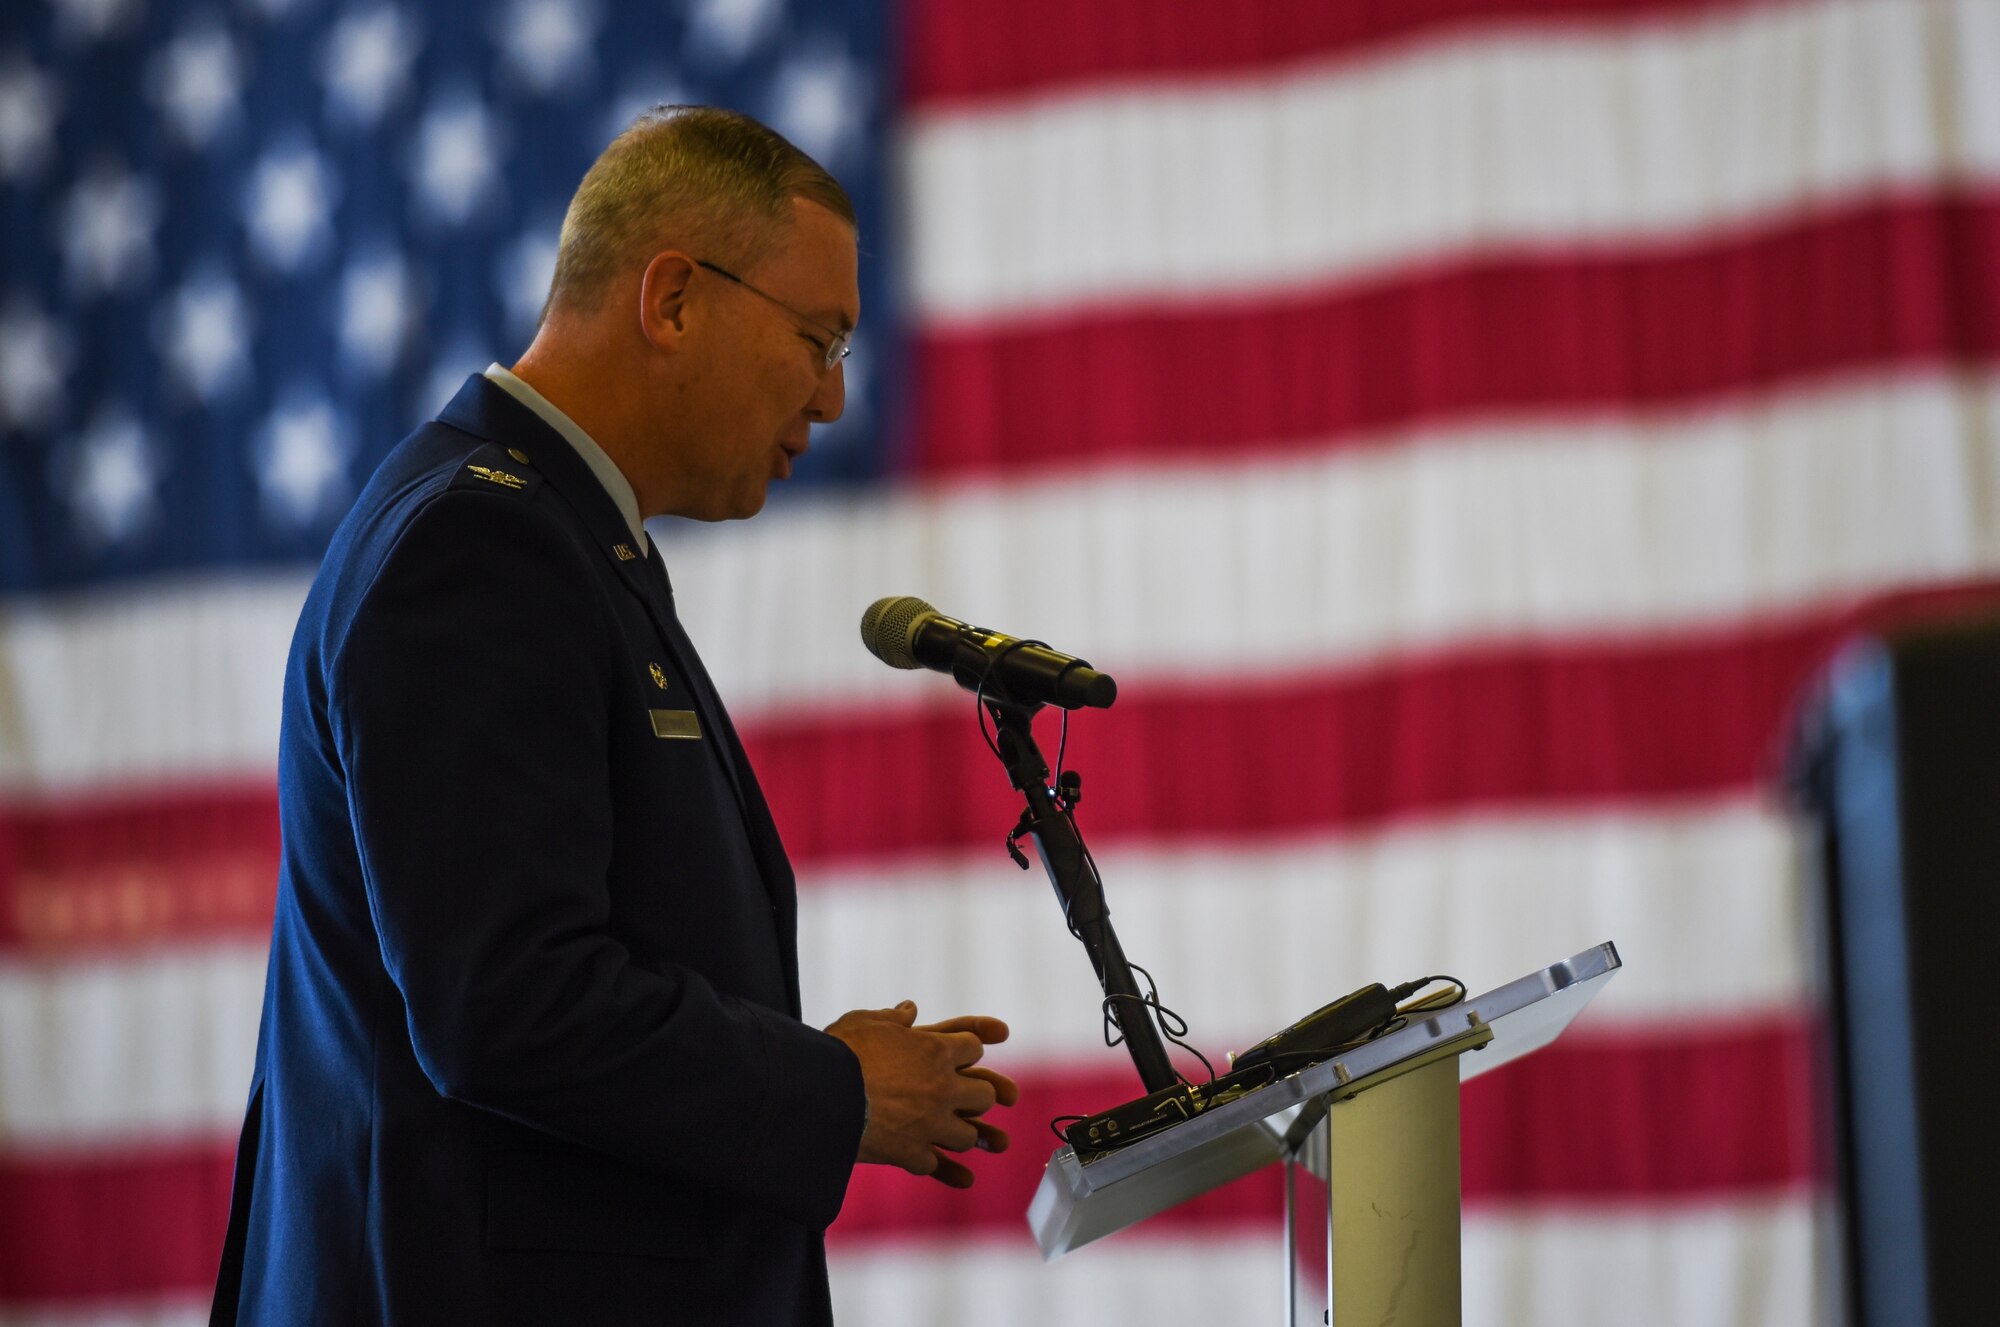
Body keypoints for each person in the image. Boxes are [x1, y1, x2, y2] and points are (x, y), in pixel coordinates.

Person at [210, 106, 1015, 1326]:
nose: (836, 397)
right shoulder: (477, 545)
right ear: (675, 299)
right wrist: (828, 1092)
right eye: (819, 336)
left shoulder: (556, 534)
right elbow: (508, 1001)